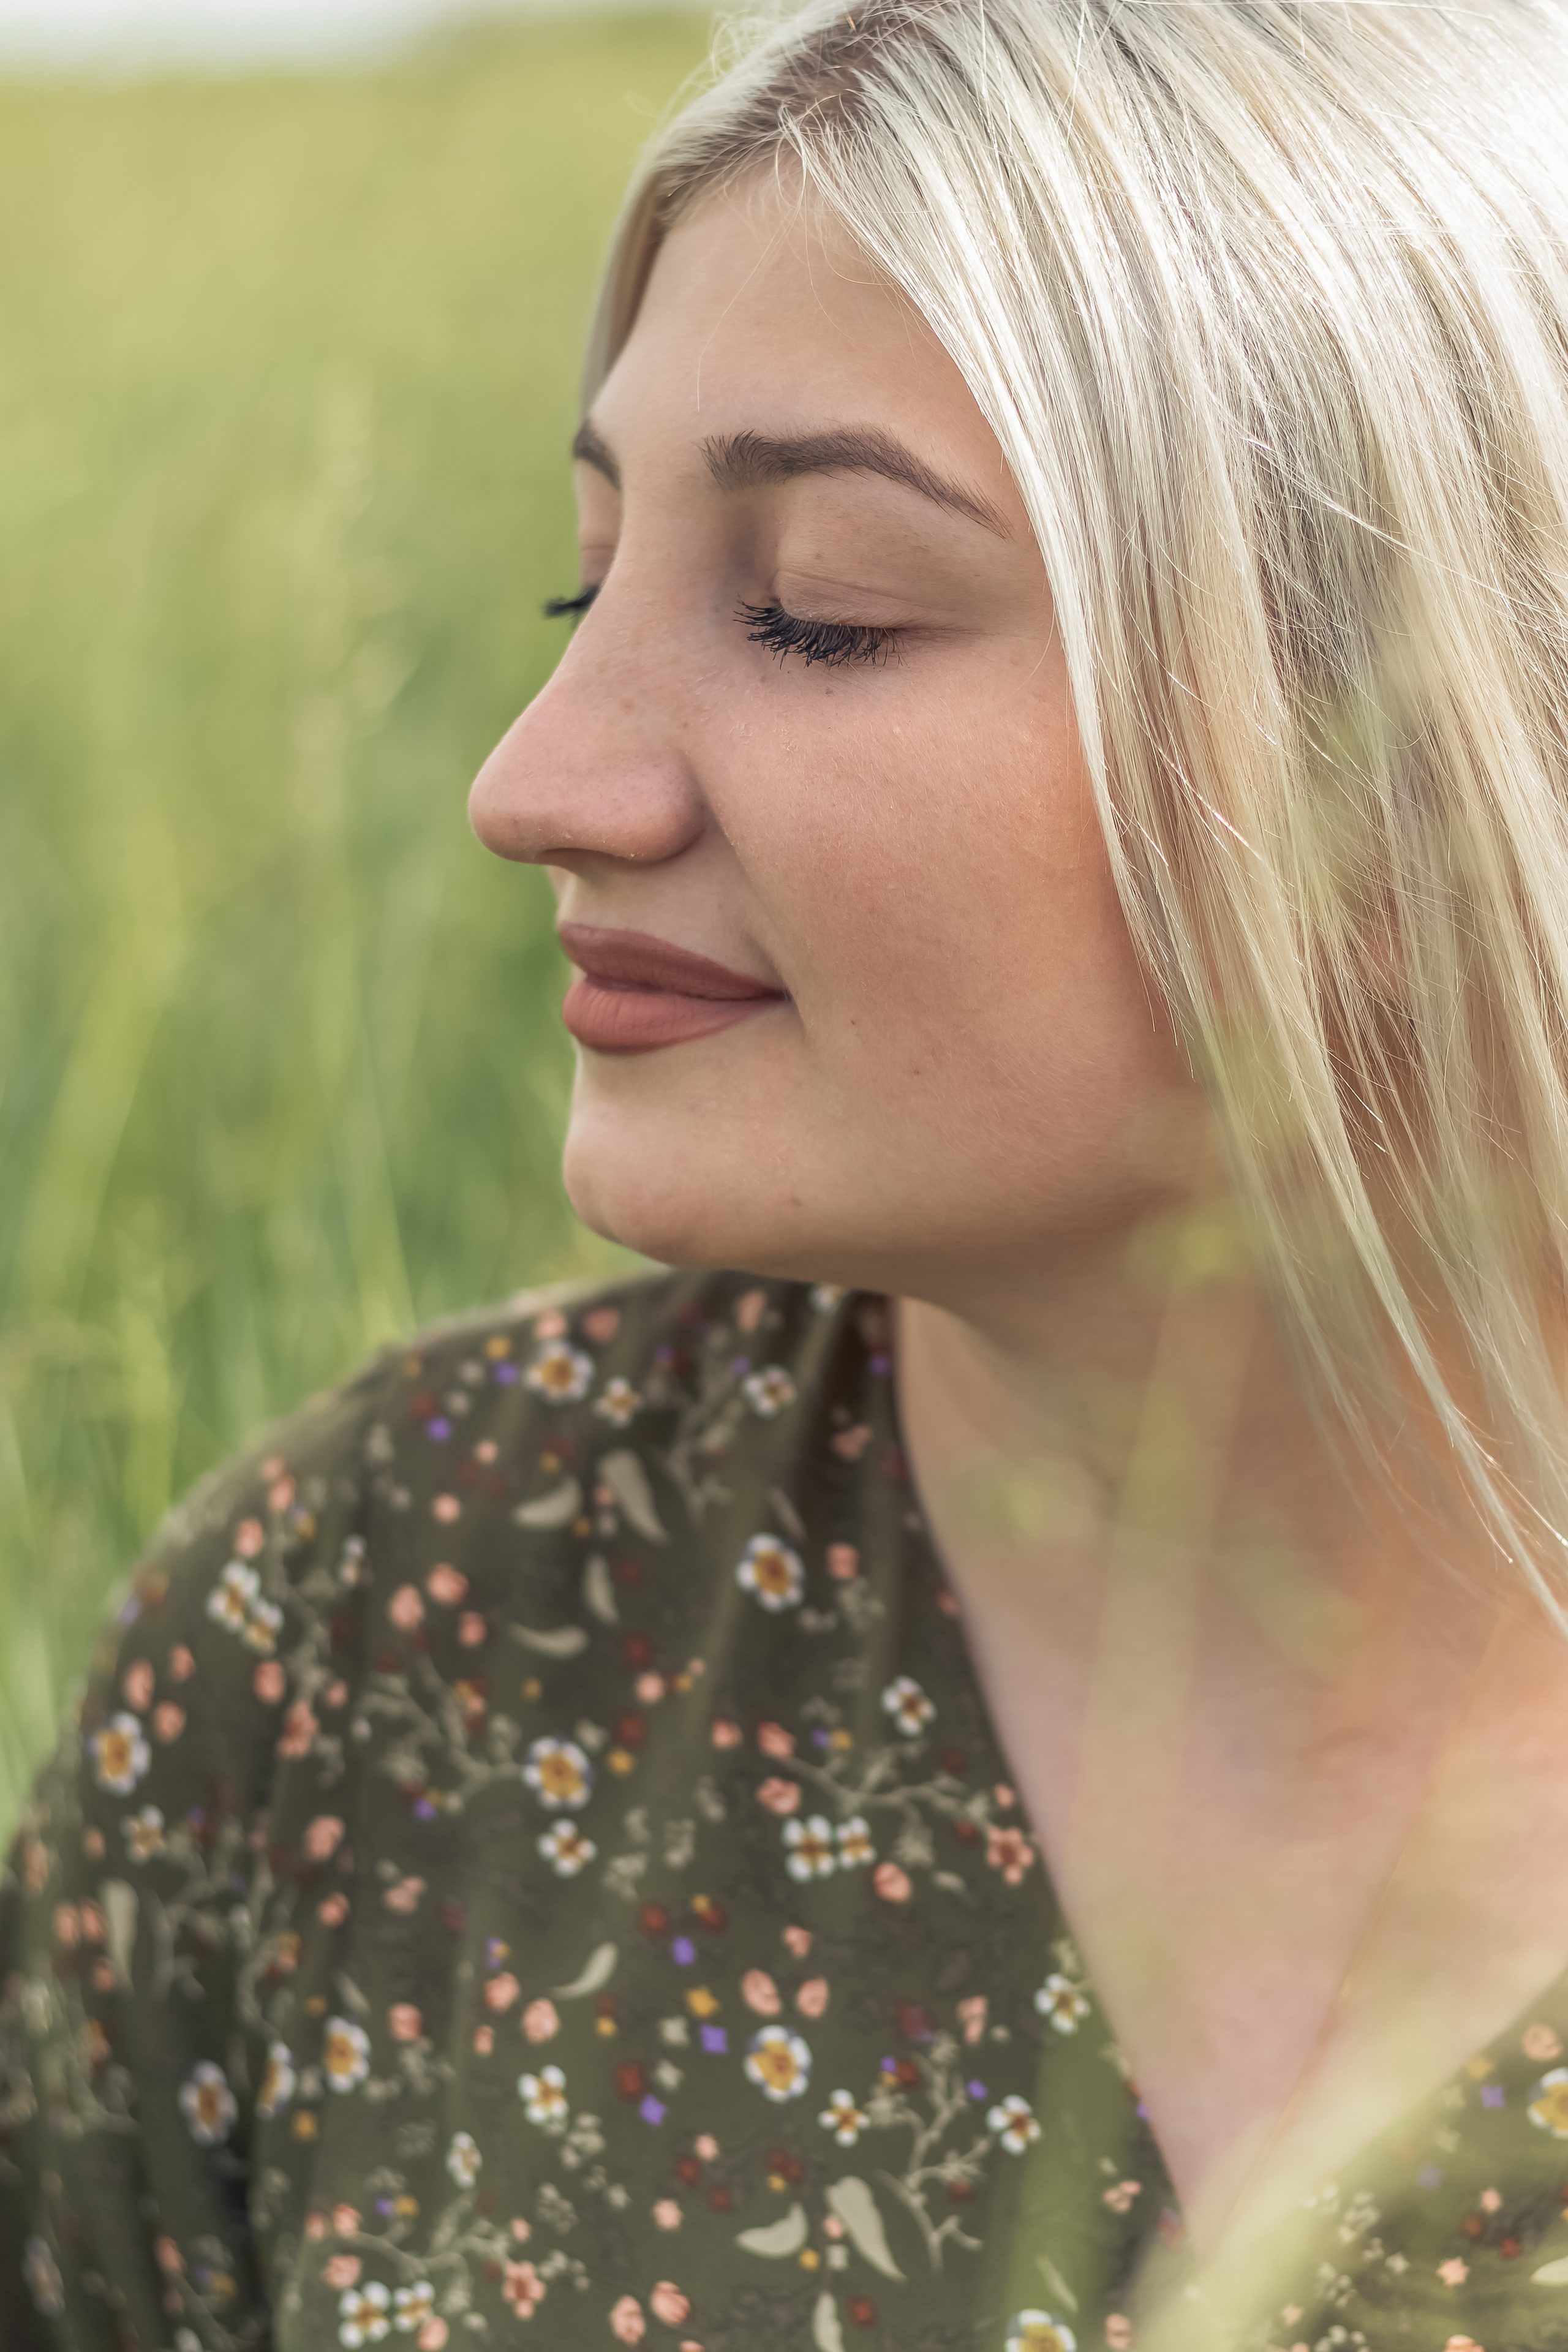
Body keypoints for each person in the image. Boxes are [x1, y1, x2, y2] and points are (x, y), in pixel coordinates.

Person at [8, 1, 1568, 2345]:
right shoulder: (385, 1624)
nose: (542, 782)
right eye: (586, 585)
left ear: (1441, 752)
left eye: (821, 607)